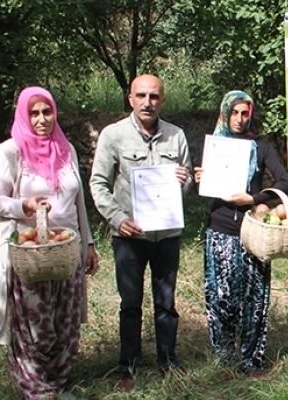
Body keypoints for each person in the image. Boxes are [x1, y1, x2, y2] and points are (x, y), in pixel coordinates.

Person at [0, 86, 99, 399]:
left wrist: (87, 244)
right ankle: (36, 388)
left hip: (66, 252)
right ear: (23, 115)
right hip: (30, 253)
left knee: (66, 320)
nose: (41, 119)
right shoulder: (10, 152)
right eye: (33, 113)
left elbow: (78, 203)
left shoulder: (66, 150)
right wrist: (24, 206)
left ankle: (57, 382)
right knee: (34, 324)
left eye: (46, 111)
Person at [89, 74, 192, 390]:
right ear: (130, 98)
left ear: (163, 100)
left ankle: (167, 361)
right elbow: (98, 184)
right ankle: (128, 367)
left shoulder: (176, 136)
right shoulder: (113, 135)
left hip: (166, 236)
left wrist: (182, 182)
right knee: (130, 303)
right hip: (129, 236)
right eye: (141, 96)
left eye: (155, 96)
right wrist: (117, 219)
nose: (148, 102)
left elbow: (186, 184)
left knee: (166, 302)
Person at [193, 90, 288, 380]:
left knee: (255, 298)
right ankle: (225, 359)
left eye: (244, 113)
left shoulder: (261, 146)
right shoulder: (216, 144)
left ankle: (253, 361)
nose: (238, 119)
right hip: (221, 229)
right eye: (234, 113)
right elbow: (209, 190)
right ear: (225, 114)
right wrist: (203, 179)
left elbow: (285, 183)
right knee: (221, 296)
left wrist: (253, 199)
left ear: (251, 115)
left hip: (254, 232)